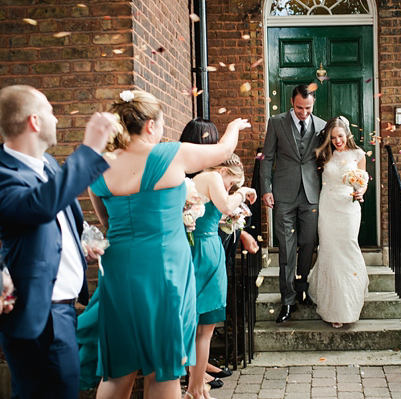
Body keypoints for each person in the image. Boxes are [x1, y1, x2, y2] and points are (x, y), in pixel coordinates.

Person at [80, 90, 249, 399]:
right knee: (164, 369)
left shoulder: (97, 165)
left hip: (118, 271)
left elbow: (106, 222)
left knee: (118, 370)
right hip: (165, 269)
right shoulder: (171, 154)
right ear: (148, 126)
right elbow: (224, 149)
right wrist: (234, 128)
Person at [0, 85, 113, 399]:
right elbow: (39, 205)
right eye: (50, 110)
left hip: (61, 311)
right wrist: (89, 149)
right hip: (37, 314)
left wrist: (77, 248)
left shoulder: (48, 163)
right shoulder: (4, 173)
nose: (57, 118)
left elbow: (52, 220)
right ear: (34, 121)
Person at [183, 153, 256, 399]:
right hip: (206, 250)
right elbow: (225, 205)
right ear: (225, 172)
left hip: (199, 248)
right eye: (231, 183)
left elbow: (217, 211)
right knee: (205, 327)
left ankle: (196, 386)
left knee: (198, 325)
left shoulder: (200, 179)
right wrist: (243, 192)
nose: (229, 188)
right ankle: (195, 390)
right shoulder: (213, 176)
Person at [260, 85, 327, 323]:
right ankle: (287, 301)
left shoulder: (321, 125)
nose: (304, 113)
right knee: (287, 249)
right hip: (283, 194)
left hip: (311, 195)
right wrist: (266, 190)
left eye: (308, 108)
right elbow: (267, 157)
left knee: (309, 244)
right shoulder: (276, 122)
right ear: (291, 102)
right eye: (299, 108)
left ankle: (302, 289)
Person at [305, 116, 369, 328]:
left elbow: (363, 179)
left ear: (347, 134)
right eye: (333, 138)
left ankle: (351, 302)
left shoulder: (358, 154)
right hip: (328, 205)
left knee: (348, 247)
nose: (337, 141)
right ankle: (333, 307)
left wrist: (361, 191)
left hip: (349, 207)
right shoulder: (323, 154)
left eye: (340, 136)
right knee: (330, 250)